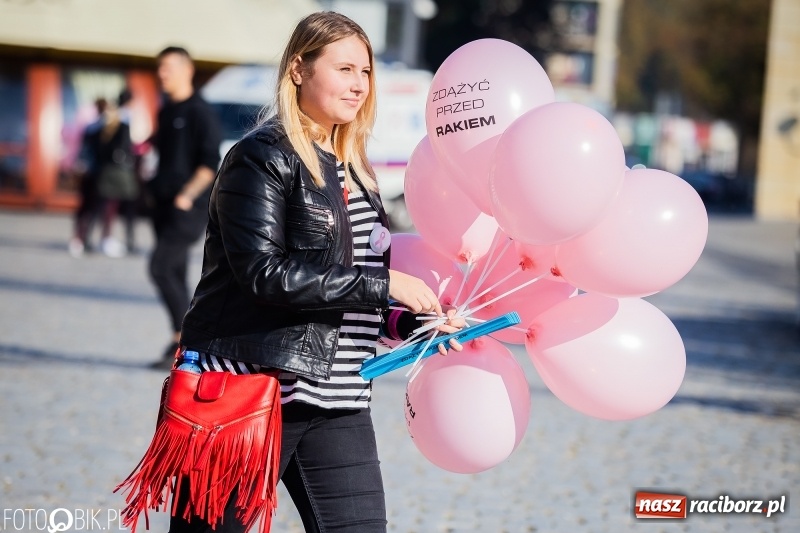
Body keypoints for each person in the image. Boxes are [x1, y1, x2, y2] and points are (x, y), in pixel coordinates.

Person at [171, 12, 465, 532]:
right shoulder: (260, 157)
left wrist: (407, 326)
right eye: (345, 68)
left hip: (338, 399)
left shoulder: (355, 167)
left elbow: (343, 297)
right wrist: (386, 284)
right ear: (299, 70)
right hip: (254, 390)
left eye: (366, 72)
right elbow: (264, 274)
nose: (359, 84)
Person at [148, 46, 222, 368]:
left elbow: (209, 162)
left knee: (160, 267)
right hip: (161, 205)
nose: (162, 74)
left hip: (188, 206)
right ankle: (182, 343)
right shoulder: (166, 110)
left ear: (187, 70)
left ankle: (184, 338)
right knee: (174, 271)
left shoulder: (199, 111)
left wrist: (187, 194)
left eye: (169, 68)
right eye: (160, 68)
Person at [69, 98, 107, 257]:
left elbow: (83, 150)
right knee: (94, 208)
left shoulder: (90, 127)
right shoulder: (105, 128)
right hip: (99, 173)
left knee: (85, 207)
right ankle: (84, 238)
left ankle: (79, 238)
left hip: (89, 171)